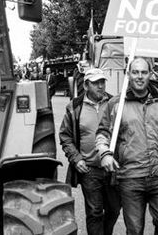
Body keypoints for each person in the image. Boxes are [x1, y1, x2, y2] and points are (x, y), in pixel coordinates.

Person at [96, 57, 158, 235]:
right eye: (135, 72)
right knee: (135, 229)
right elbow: (102, 133)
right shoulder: (116, 103)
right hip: (131, 176)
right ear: (128, 74)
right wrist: (104, 153)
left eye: (144, 72)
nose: (139, 76)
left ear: (150, 74)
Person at [58, 68, 120, 235]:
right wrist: (76, 158)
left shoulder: (115, 103)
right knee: (94, 212)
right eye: (95, 83)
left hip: (113, 168)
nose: (100, 86)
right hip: (90, 169)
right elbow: (65, 136)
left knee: (114, 210)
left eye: (102, 82)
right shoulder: (75, 107)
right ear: (86, 85)